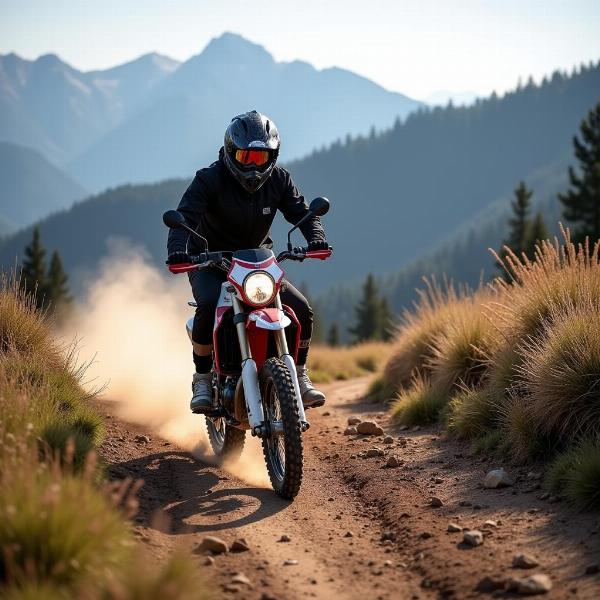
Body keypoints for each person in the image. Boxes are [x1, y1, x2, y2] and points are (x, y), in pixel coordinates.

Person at [167, 110, 329, 414]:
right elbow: (183, 219)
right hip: (209, 261)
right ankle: (202, 378)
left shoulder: (279, 179)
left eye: (261, 157)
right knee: (208, 306)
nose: (253, 166)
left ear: (273, 156)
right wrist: (179, 251)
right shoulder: (208, 179)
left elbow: (302, 213)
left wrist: (316, 238)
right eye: (246, 157)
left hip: (258, 263)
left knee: (302, 309)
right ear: (230, 152)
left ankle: (301, 374)